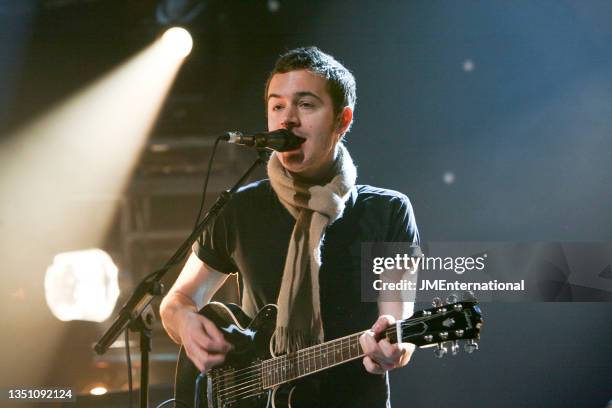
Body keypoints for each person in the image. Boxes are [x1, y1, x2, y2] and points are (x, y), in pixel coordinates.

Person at [160, 46, 420, 407]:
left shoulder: (388, 211)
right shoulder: (239, 208)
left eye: (306, 104)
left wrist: (391, 349)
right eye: (277, 105)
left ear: (342, 120)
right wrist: (187, 324)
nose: (287, 120)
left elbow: (397, 321)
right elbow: (177, 300)